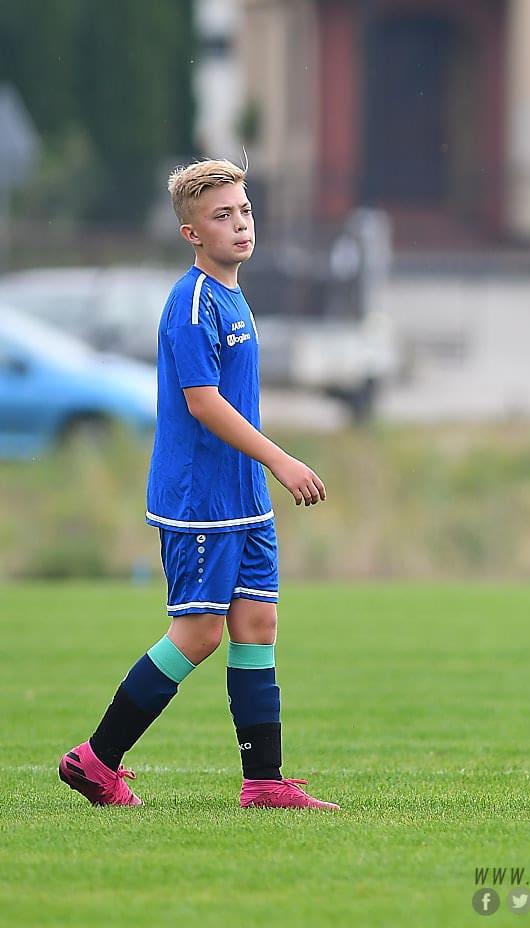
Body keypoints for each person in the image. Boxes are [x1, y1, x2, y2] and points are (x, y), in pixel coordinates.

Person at [58, 159, 339, 809]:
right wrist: (281, 460)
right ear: (191, 234)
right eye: (222, 216)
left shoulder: (234, 295)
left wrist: (262, 473)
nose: (240, 224)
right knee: (200, 632)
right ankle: (95, 759)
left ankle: (264, 782)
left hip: (243, 498)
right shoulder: (191, 303)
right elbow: (203, 403)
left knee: (257, 624)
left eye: (244, 211)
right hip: (200, 500)